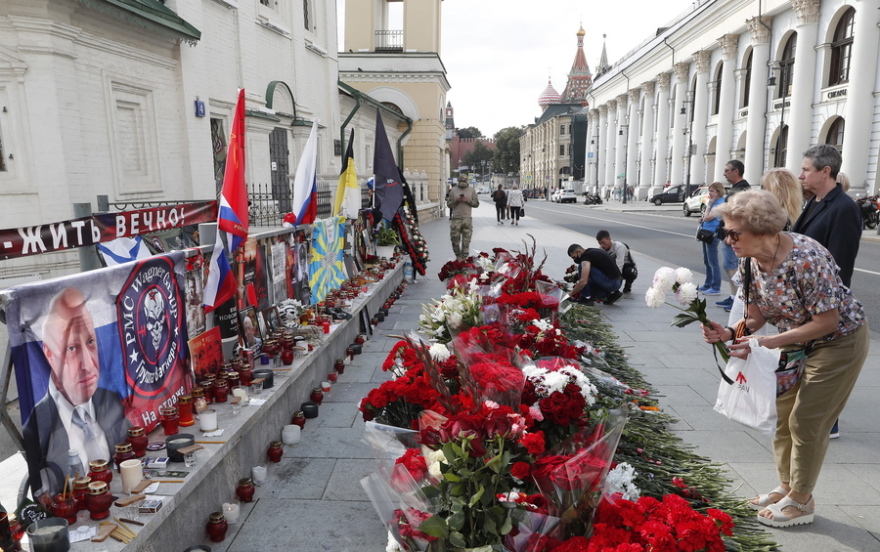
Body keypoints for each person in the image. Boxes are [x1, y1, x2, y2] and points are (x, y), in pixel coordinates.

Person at [701, 190, 869, 529]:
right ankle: (786, 487)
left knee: (806, 420)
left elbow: (828, 321)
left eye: (734, 233)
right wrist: (730, 332)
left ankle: (802, 500)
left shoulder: (806, 257)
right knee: (782, 416)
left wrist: (770, 341)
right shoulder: (750, 262)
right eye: (725, 232)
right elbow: (755, 315)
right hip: (794, 340)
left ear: (763, 230)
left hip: (838, 342)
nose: (727, 239)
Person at [23, 287, 129, 499]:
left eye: (90, 342)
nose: (89, 366)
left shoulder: (111, 401)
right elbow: (47, 495)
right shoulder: (37, 425)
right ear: (49, 354)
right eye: (72, 348)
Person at [791, 145, 862, 440]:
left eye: (806, 169)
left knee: (821, 363)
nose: (801, 174)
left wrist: (820, 307)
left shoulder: (844, 208)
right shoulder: (816, 201)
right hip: (805, 300)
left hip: (823, 305)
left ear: (825, 172)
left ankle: (828, 422)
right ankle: (813, 416)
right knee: (804, 362)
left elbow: (839, 264)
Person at [715, 160, 750, 309]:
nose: (724, 173)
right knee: (729, 266)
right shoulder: (737, 188)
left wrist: (730, 234)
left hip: (733, 236)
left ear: (736, 171)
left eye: (727, 170)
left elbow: (736, 214)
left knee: (732, 267)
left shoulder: (741, 189)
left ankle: (738, 299)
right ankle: (732, 296)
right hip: (729, 234)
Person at [696, 182, 726, 295]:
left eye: (712, 191)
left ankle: (716, 286)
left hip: (712, 233)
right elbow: (705, 217)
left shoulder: (720, 203)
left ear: (718, 192)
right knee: (706, 260)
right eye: (709, 190)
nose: (710, 193)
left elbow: (708, 218)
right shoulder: (714, 202)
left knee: (713, 260)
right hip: (705, 232)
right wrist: (702, 218)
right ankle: (708, 283)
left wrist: (709, 205)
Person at [446, 175, 479, 260]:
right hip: (456, 218)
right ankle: (458, 256)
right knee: (454, 238)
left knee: (466, 241)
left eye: (464, 181)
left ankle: (464, 258)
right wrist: (456, 201)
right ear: (459, 181)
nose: (463, 182)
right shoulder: (453, 190)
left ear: (466, 181)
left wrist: (467, 200)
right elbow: (449, 204)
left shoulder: (471, 190)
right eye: (461, 181)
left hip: (467, 219)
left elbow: (476, 204)